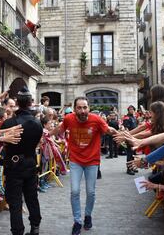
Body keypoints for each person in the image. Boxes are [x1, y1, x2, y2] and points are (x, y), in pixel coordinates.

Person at [50, 96, 118, 235]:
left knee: (91, 192)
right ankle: (77, 221)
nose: (82, 110)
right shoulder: (69, 119)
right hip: (75, 160)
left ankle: (87, 216)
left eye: (85, 107)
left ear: (89, 108)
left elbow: (107, 129)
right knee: (74, 191)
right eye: (79, 108)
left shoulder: (96, 120)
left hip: (92, 161)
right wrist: (45, 135)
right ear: (75, 109)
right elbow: (59, 129)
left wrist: (119, 132)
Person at [1, 86, 43, 235]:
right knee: (32, 198)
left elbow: (2, 142)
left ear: (17, 102)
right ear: (30, 103)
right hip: (31, 163)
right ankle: (35, 227)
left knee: (15, 202)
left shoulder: (9, 123)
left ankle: (18, 231)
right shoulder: (38, 124)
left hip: (14, 165)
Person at [122, 105, 137, 175]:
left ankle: (133, 167)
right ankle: (129, 169)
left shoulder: (134, 117)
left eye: (133, 109)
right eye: (130, 109)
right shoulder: (126, 117)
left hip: (135, 137)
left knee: (133, 154)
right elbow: (126, 128)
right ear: (128, 110)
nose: (131, 110)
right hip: (129, 137)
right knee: (129, 154)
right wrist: (128, 137)